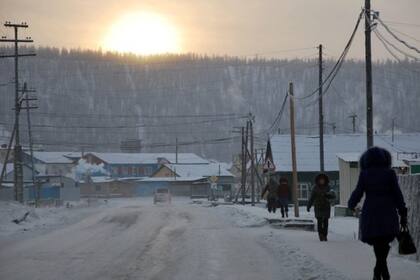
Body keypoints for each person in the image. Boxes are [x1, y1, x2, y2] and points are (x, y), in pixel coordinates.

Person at [348, 147, 407, 280]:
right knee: (384, 242)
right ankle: (382, 271)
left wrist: (351, 204)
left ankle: (378, 271)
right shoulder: (390, 173)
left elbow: (358, 191)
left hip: (371, 213)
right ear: (384, 159)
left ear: (367, 160)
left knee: (377, 243)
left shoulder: (365, 174)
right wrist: (402, 210)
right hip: (388, 212)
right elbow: (397, 193)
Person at [307, 173, 335, 241]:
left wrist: (329, 195)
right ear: (318, 180)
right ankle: (321, 235)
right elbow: (312, 197)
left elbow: (333, 195)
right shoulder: (315, 188)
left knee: (325, 222)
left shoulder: (328, 187)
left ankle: (325, 235)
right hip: (318, 206)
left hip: (326, 206)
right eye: (320, 180)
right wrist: (309, 206)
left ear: (325, 180)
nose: (322, 181)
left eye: (323, 180)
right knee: (319, 221)